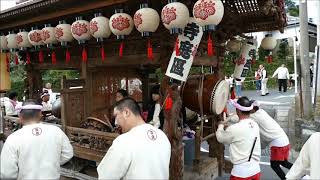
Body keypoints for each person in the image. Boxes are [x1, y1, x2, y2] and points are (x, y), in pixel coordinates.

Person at [97, 98, 171, 179]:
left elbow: (106, 176)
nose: (116, 122)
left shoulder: (124, 141)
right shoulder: (162, 136)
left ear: (126, 112)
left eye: (116, 116)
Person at [0, 99, 73, 179]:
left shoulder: (13, 138)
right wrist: (52, 162)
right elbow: (68, 153)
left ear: (20, 116)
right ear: (40, 114)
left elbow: (6, 174)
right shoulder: (56, 131)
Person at [216, 97, 261, 180]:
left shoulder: (234, 129)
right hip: (256, 170)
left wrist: (220, 126)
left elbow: (220, 138)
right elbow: (241, 132)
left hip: (241, 173)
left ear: (238, 111)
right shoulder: (255, 124)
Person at [250, 100, 292, 180]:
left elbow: (242, 118)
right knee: (284, 163)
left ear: (253, 109)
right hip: (284, 140)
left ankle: (285, 178)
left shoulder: (255, 116)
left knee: (274, 165)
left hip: (278, 143)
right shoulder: (261, 112)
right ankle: (302, 175)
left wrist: (228, 119)